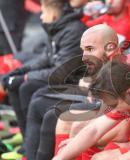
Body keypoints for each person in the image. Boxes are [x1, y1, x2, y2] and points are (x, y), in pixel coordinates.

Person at [25, 24, 130, 160]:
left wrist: (80, 141)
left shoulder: (125, 72)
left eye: (90, 49)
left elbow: (123, 131)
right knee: (66, 121)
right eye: (83, 50)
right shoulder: (111, 67)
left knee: (83, 137)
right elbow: (110, 116)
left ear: (111, 48)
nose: (84, 57)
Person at [1, 0, 87, 158]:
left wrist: (26, 77)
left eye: (43, 12)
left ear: (53, 14)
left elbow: (61, 71)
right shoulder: (57, 27)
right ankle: (27, 141)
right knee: (14, 84)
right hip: (60, 79)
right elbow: (45, 58)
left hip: (73, 82)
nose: (41, 17)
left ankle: (30, 149)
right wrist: (19, 72)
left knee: (29, 88)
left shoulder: (73, 31)